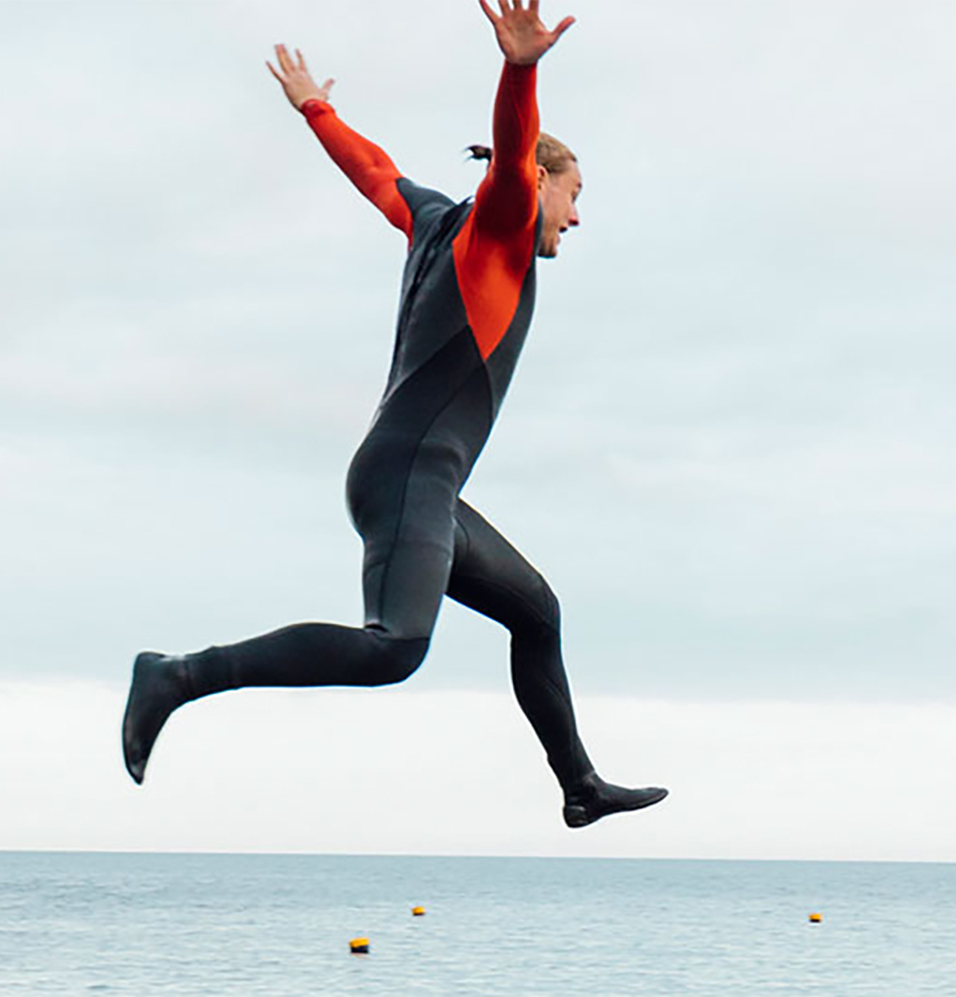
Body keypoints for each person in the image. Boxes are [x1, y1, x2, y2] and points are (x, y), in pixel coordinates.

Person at [122, 0, 667, 830]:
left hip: (424, 480)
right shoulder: (499, 228)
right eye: (575, 194)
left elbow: (373, 170)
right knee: (393, 649)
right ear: (540, 185)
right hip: (409, 471)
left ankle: (578, 785)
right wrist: (519, 69)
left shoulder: (432, 222)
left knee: (537, 613)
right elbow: (515, 157)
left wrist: (316, 107)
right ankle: (177, 674)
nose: (577, 216)